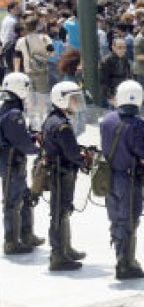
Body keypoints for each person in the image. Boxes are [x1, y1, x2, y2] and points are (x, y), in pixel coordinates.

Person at [100, 80, 144, 280]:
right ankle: (125, 263)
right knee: (130, 219)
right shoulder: (139, 125)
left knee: (116, 219)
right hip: (129, 179)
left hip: (108, 176)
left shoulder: (106, 121)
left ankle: (121, 257)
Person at [42, 81, 88, 271]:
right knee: (60, 213)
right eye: (73, 98)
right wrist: (84, 159)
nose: (76, 102)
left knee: (62, 211)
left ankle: (64, 249)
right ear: (62, 100)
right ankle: (58, 255)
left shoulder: (52, 119)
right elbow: (71, 153)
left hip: (57, 171)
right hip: (63, 173)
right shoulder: (62, 126)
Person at [0, 73, 43, 255]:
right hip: (12, 162)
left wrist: (32, 138)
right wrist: (37, 149)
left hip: (12, 161)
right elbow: (20, 141)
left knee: (24, 197)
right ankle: (11, 241)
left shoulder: (9, 108)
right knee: (13, 201)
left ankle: (26, 234)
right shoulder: (14, 113)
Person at [14, 17, 53, 95]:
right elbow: (52, 53)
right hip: (42, 70)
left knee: (30, 96)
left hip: (28, 70)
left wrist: (16, 73)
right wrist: (43, 57)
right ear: (37, 26)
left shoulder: (21, 41)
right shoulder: (45, 38)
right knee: (43, 95)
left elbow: (17, 58)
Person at [99, 38, 131, 106]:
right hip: (111, 94)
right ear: (113, 48)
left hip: (123, 92)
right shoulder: (107, 61)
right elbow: (103, 81)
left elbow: (128, 75)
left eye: (124, 48)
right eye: (119, 47)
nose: (122, 50)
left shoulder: (125, 59)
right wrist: (110, 96)